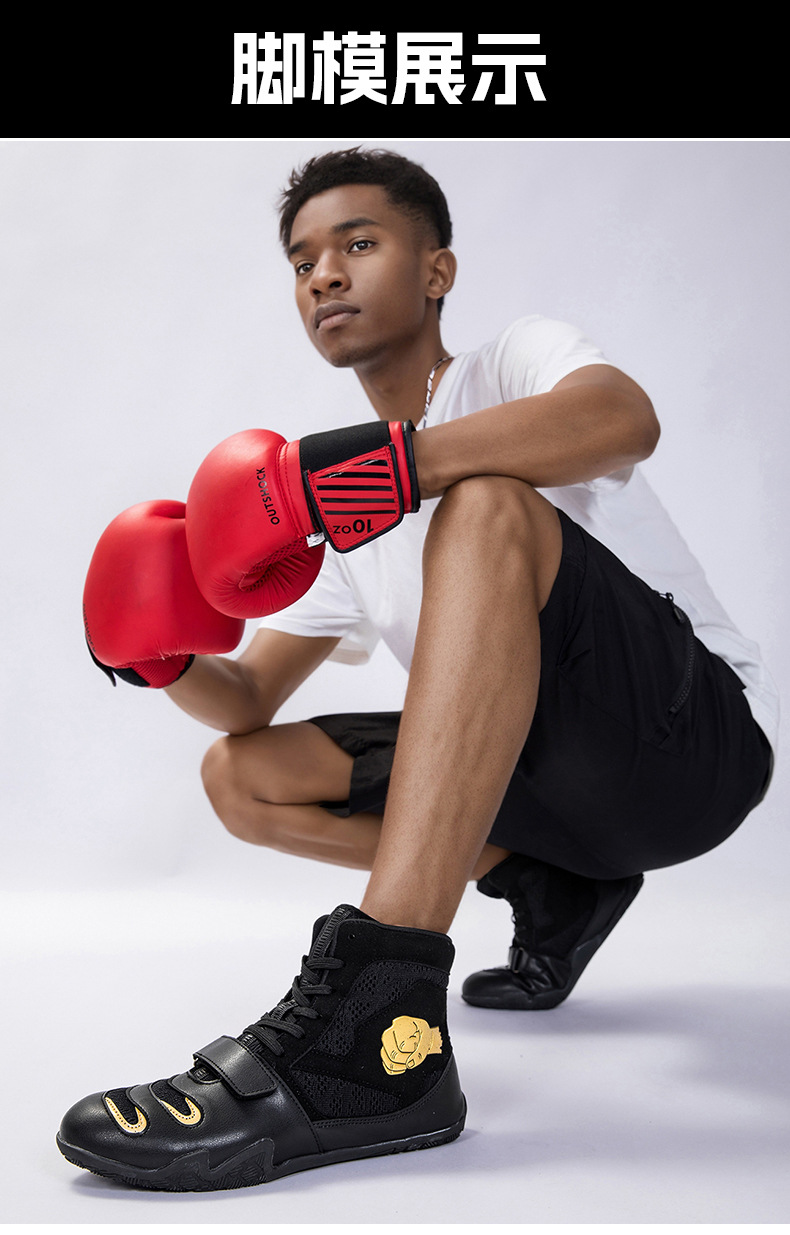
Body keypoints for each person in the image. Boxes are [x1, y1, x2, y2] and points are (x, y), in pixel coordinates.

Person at [59, 148, 777, 1192]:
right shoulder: (336, 518)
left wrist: (387, 471)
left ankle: (371, 1025)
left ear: (436, 270)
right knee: (241, 774)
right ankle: (542, 881)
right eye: (302, 260)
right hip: (542, 783)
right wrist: (157, 654)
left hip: (689, 751)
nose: (324, 274)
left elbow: (627, 419)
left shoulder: (513, 363)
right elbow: (248, 700)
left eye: (357, 243)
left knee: (486, 503)